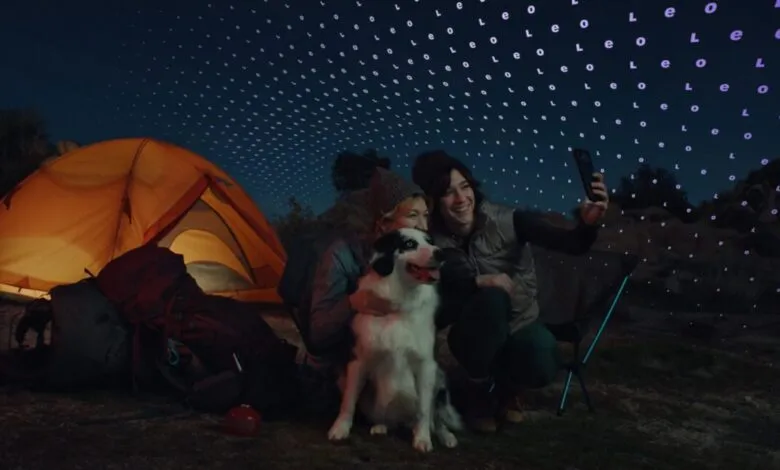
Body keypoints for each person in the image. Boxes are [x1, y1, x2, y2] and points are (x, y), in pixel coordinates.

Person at [411, 150, 610, 433]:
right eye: (447, 192)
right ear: (433, 200)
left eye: (465, 186)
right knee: (491, 298)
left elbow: (572, 244)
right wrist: (478, 283)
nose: (461, 199)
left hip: (519, 322)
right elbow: (446, 286)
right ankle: (477, 389)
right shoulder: (433, 240)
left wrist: (587, 224)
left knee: (541, 360)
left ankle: (508, 389)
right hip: (472, 328)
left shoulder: (510, 220)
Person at [304, 167, 430, 374]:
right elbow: (318, 331)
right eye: (413, 215)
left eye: (426, 215)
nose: (423, 226)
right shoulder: (340, 254)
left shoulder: (408, 256)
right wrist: (355, 301)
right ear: (384, 223)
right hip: (336, 367)